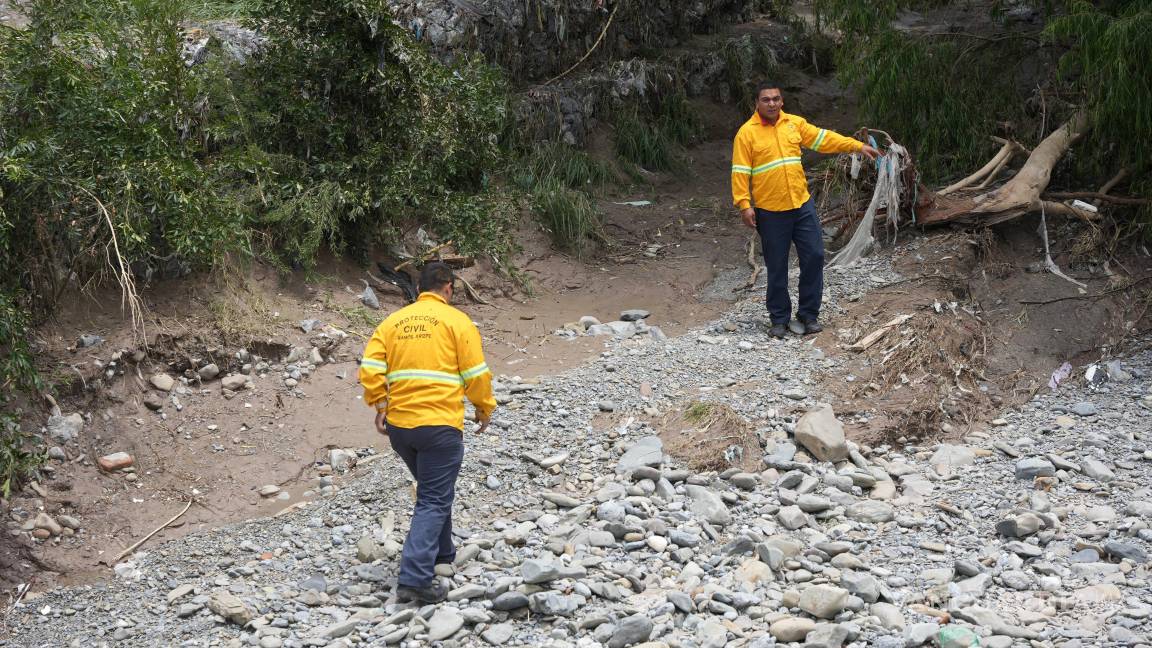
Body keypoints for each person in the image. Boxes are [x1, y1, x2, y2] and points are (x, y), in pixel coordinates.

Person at [358, 262, 496, 603]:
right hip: (439, 425)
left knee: (434, 487)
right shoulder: (457, 321)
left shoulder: (393, 322)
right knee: (433, 497)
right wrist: (484, 407)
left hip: (401, 428)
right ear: (447, 288)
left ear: (419, 289)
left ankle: (442, 553)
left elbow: (371, 368)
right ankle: (415, 578)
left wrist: (380, 405)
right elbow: (476, 374)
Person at [731, 82, 879, 338]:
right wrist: (744, 205)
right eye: (766, 99)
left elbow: (823, 138)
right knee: (777, 266)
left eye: (776, 99)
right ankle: (779, 319)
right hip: (770, 211)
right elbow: (740, 172)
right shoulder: (746, 134)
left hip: (802, 206)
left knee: (814, 256)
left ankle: (809, 315)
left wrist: (856, 146)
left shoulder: (794, 124)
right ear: (757, 103)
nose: (772, 103)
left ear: (782, 101)